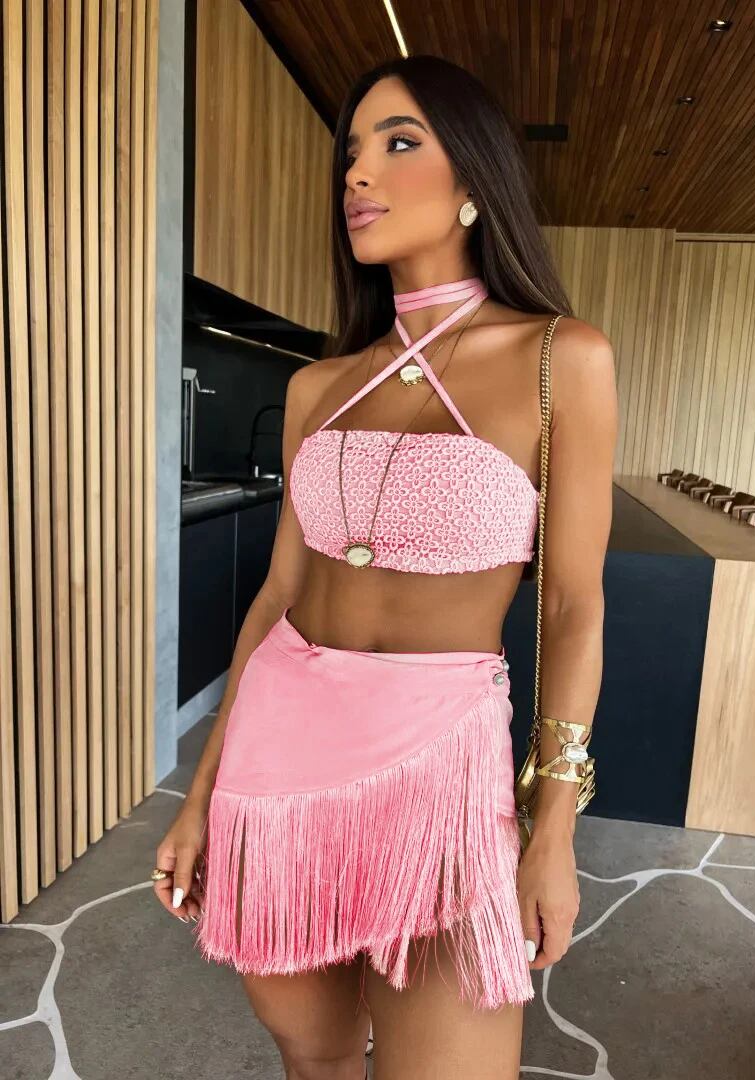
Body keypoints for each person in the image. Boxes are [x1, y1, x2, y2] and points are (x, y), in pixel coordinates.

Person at [152, 54, 617, 1080]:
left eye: (399, 143)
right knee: (312, 1058)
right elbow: (279, 596)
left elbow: (575, 606)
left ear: (474, 182)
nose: (358, 173)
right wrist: (199, 794)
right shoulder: (318, 385)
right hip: (277, 763)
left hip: (441, 769)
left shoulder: (559, 359)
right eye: (352, 151)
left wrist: (552, 831)